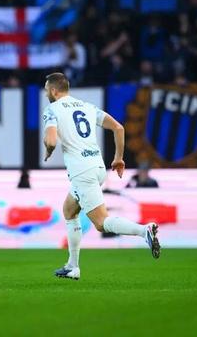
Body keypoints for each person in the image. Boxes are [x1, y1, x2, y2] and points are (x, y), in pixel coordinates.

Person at [42, 72, 160, 280]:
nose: (45, 95)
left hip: (82, 172)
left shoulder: (52, 109)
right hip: (97, 167)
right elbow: (118, 128)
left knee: (101, 222)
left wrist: (49, 150)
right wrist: (118, 158)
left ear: (53, 90)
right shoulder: (86, 106)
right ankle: (72, 266)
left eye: (46, 90)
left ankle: (144, 231)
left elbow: (51, 141)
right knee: (69, 210)